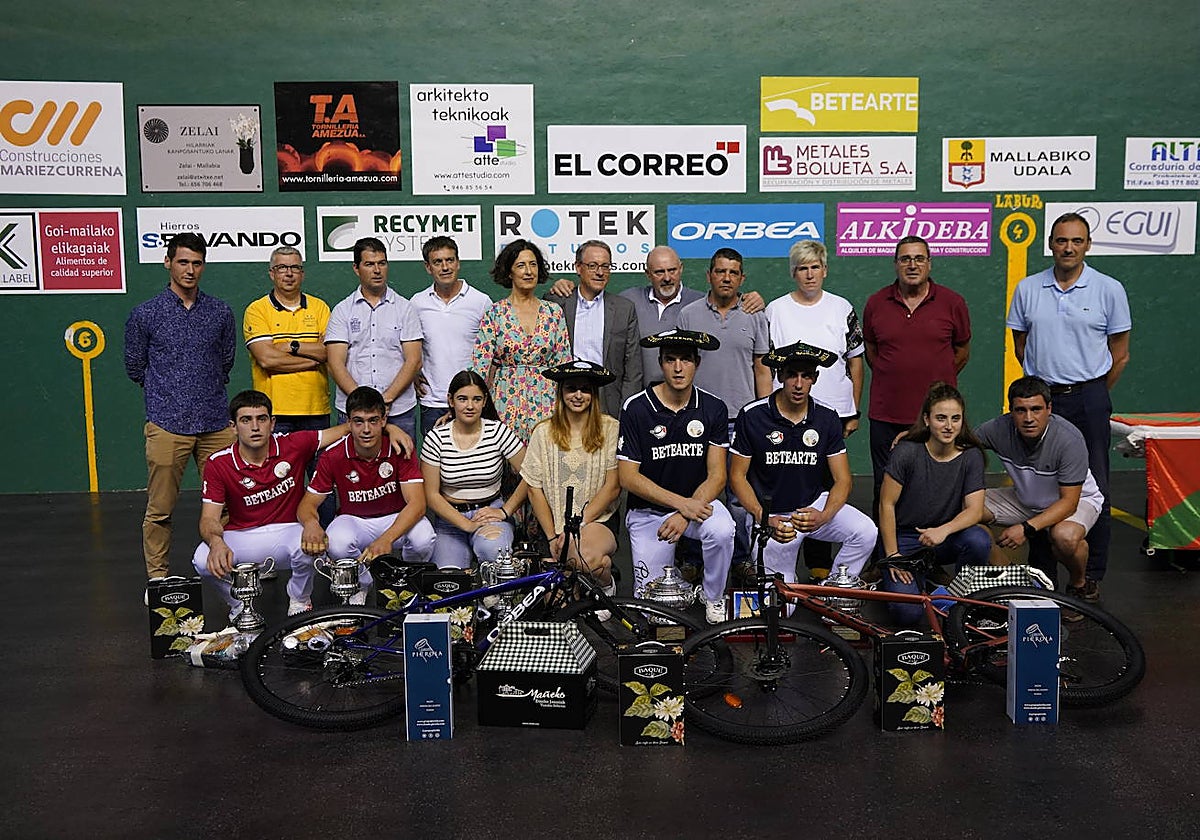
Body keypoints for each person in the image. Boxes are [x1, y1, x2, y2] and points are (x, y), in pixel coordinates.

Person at [192, 390, 411, 618]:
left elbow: (353, 427)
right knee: (201, 559)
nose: (255, 427)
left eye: (262, 419)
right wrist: (215, 541)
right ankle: (239, 608)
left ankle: (300, 601)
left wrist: (389, 428)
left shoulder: (294, 444)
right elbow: (209, 518)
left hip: (288, 530)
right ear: (233, 427)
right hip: (242, 534)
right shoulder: (218, 463)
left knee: (310, 543)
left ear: (272, 423)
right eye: (246, 420)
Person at [1006, 212, 1131, 602]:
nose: (1069, 247)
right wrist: (1049, 391)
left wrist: (1088, 390)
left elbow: (1120, 354)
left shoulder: (1109, 289)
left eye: (1077, 241)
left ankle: (1091, 574)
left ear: (1088, 245)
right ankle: (1043, 576)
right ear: (1051, 244)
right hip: (1043, 399)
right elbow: (1021, 345)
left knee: (1096, 484)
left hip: (1090, 398)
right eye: (1061, 240)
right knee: (1043, 488)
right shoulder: (1028, 288)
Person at [124, 232, 237, 586]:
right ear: (168, 263)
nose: (190, 270)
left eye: (197, 263)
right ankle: (158, 579)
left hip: (215, 423)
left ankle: (232, 572)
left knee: (231, 506)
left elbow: (226, 361)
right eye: (183, 262)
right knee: (160, 510)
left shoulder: (219, 311)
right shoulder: (146, 314)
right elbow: (134, 365)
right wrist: (168, 394)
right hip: (166, 424)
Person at [728, 341, 876, 585]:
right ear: (780, 376)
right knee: (782, 610)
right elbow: (737, 476)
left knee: (865, 532)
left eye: (806, 376)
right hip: (772, 517)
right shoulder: (752, 415)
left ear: (815, 378)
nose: (798, 384)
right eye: (792, 375)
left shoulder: (827, 417)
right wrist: (764, 517)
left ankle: (835, 590)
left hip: (812, 507)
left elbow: (843, 480)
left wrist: (824, 515)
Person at [617, 330, 735, 624]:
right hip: (648, 513)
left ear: (697, 363)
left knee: (723, 529)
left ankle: (713, 596)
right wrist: (681, 505)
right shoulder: (637, 408)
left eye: (686, 360)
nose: (678, 367)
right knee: (654, 613)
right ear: (661, 363)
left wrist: (685, 512)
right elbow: (628, 478)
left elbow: (718, 475)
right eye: (671, 360)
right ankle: (674, 574)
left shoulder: (713, 408)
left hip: (697, 506)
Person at [765, 238, 865, 579]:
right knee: (791, 481)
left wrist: (852, 410)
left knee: (825, 486)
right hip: (784, 415)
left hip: (831, 416)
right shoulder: (775, 310)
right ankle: (779, 561)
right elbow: (765, 364)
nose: (809, 274)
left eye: (815, 267)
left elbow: (856, 361)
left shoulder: (842, 308)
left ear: (825, 270)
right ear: (794, 272)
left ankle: (821, 567)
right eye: (802, 268)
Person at [677, 247, 773, 571]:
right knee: (697, 490)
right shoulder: (688, 315)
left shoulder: (755, 314)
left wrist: (764, 414)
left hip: (741, 422)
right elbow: (682, 366)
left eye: (733, 272)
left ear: (742, 278)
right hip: (698, 421)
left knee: (739, 497)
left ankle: (742, 559)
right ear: (709, 275)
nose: (726, 278)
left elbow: (762, 368)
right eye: (720, 271)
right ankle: (692, 558)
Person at [862, 236, 971, 516]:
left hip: (936, 418)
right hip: (887, 414)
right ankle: (886, 557)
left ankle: (929, 554)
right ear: (896, 264)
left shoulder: (952, 302)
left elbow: (961, 350)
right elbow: (872, 351)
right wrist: (894, 374)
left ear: (929, 263)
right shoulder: (876, 303)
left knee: (933, 489)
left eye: (919, 258)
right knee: (884, 488)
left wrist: (936, 387)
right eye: (905, 259)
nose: (912, 265)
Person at [548, 244, 767, 384]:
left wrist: (750, 297)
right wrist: (564, 285)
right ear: (647, 274)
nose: (667, 278)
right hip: (642, 398)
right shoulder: (628, 301)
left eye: (672, 270)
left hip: (687, 398)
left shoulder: (698, 304)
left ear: (681, 269)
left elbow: (724, 299)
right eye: (659, 272)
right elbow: (594, 299)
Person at [297, 386, 436, 600]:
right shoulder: (333, 455)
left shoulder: (400, 448)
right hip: (355, 520)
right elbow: (308, 504)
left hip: (395, 518)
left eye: (373, 420)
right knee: (336, 541)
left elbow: (417, 505)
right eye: (359, 421)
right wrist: (311, 524)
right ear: (349, 423)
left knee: (423, 538)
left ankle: (406, 583)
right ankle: (363, 584)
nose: (366, 429)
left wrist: (386, 538)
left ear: (383, 421)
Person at [975, 376, 1105, 603]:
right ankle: (1012, 576)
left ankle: (1080, 584)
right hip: (1025, 501)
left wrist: (1025, 529)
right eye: (1020, 410)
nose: (1028, 418)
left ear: (1049, 409)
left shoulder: (1068, 439)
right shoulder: (998, 429)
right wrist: (918, 436)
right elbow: (958, 440)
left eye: (1036, 409)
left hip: (1075, 502)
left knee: (1063, 537)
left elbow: (1069, 503)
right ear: (1011, 411)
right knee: (964, 509)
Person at [878, 382, 992, 625]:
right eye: (941, 418)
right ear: (927, 420)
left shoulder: (970, 456)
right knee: (908, 614)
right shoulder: (907, 452)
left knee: (978, 539)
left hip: (944, 536)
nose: (949, 426)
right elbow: (886, 504)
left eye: (955, 418)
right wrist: (893, 556)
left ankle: (965, 598)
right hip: (905, 540)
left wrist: (944, 530)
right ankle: (895, 577)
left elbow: (975, 510)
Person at [522, 360, 621, 596]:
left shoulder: (610, 428)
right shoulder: (543, 432)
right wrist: (553, 537)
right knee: (556, 602)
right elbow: (533, 488)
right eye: (571, 388)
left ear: (594, 394)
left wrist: (575, 525)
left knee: (584, 558)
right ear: (561, 392)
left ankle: (605, 587)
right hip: (553, 528)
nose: (578, 395)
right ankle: (595, 577)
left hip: (596, 521)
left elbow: (613, 486)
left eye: (585, 389)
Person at [421, 371, 527, 569]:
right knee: (448, 581)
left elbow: (532, 474)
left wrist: (506, 511)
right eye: (462, 399)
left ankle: (493, 599)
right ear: (450, 401)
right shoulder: (436, 438)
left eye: (476, 399)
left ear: (485, 401)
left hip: (490, 514)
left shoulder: (497, 431)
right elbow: (431, 495)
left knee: (493, 551)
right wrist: (466, 524)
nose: (470, 406)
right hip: (450, 520)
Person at [471, 239, 572, 442]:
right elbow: (479, 366)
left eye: (533, 264)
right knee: (506, 464)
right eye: (521, 265)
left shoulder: (553, 312)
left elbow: (564, 364)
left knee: (545, 465)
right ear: (509, 272)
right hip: (504, 402)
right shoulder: (495, 313)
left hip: (547, 403)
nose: (528, 271)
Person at [326, 237, 424, 438]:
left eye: (382, 263)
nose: (377, 270)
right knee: (351, 470)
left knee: (402, 468)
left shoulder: (405, 308)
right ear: (356, 268)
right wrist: (363, 403)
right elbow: (335, 363)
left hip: (398, 411)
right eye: (369, 264)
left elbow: (414, 360)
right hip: (352, 412)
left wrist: (385, 399)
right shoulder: (342, 310)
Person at [542, 240, 642, 418]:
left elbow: (632, 368)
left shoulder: (624, 309)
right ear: (578, 268)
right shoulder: (557, 302)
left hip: (606, 403)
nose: (600, 272)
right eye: (593, 266)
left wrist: (627, 411)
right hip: (563, 401)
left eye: (605, 266)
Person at [242, 246, 330, 434]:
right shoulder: (257, 310)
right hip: (274, 412)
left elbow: (328, 352)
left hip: (316, 410)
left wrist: (292, 345)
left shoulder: (319, 307)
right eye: (282, 268)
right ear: (272, 273)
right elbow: (267, 360)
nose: (289, 274)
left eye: (295, 268)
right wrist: (313, 359)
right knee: (278, 465)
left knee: (316, 465)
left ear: (302, 273)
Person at [410, 236, 492, 435]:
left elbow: (493, 351)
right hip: (433, 401)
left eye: (450, 260)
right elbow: (407, 347)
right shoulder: (417, 303)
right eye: (438, 262)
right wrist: (411, 374)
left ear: (458, 263)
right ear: (428, 267)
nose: (445, 267)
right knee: (435, 464)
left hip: (472, 401)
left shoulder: (481, 302)